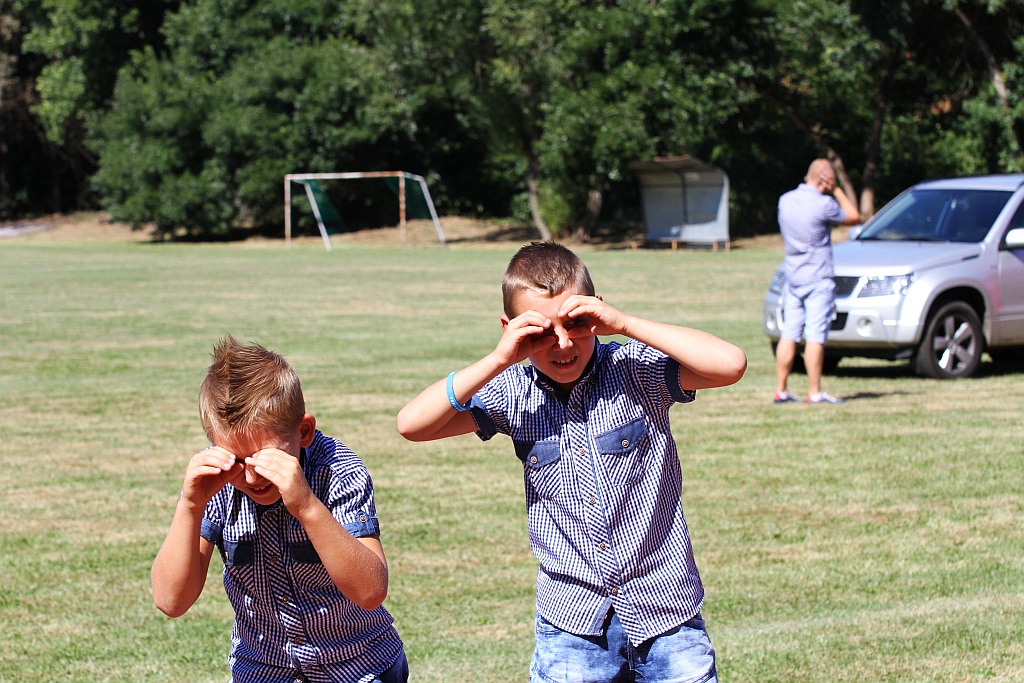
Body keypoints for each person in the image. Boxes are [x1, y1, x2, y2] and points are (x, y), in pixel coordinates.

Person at [396, 242, 747, 683]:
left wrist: (625, 323)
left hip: (666, 611)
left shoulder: (633, 370)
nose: (562, 343)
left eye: (576, 323)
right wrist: (499, 358)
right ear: (510, 329)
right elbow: (412, 424)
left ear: (596, 312)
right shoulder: (513, 393)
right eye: (540, 331)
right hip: (573, 625)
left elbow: (730, 364)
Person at [152, 336, 408, 683]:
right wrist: (190, 505)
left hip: (358, 666)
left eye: (267, 457)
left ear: (304, 431)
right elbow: (171, 601)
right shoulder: (215, 480)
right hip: (264, 670)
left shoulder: (336, 469)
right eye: (237, 460)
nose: (252, 475)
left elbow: (370, 591)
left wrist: (307, 506)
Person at [774, 158, 860, 405]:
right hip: (818, 278)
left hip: (793, 276)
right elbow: (854, 216)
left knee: (789, 334)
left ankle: (781, 390)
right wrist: (837, 190)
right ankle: (814, 392)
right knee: (815, 336)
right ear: (826, 180)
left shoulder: (785, 200)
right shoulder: (823, 204)